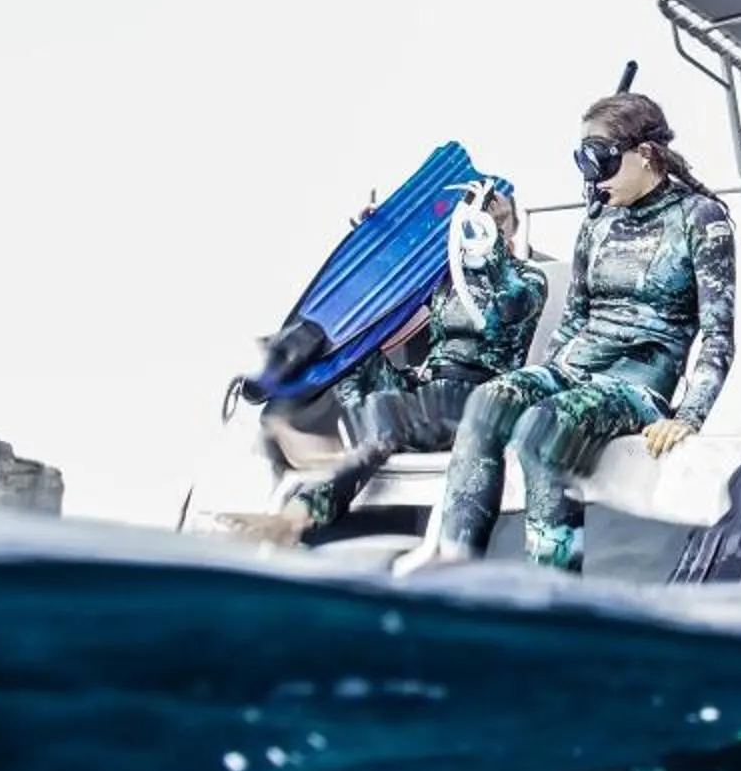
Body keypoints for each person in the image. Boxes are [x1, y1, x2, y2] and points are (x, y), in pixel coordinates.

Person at [401, 92, 736, 575]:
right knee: (489, 401)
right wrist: (544, 373)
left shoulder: (700, 219)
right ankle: (456, 569)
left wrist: (689, 415)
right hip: (573, 369)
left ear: (646, 155)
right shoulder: (596, 223)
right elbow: (574, 319)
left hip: (637, 385)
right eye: (584, 161)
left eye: (600, 159)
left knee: (543, 428)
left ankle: (551, 588)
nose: (592, 176)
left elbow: (719, 334)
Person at [233, 179, 549, 541]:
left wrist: (485, 245)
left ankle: (295, 517)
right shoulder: (446, 275)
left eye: (493, 216)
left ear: (509, 228)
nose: (480, 222)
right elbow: (392, 286)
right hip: (427, 387)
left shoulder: (528, 279)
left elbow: (502, 310)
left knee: (390, 423)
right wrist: (378, 239)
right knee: (351, 359)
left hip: (477, 397)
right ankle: (326, 433)